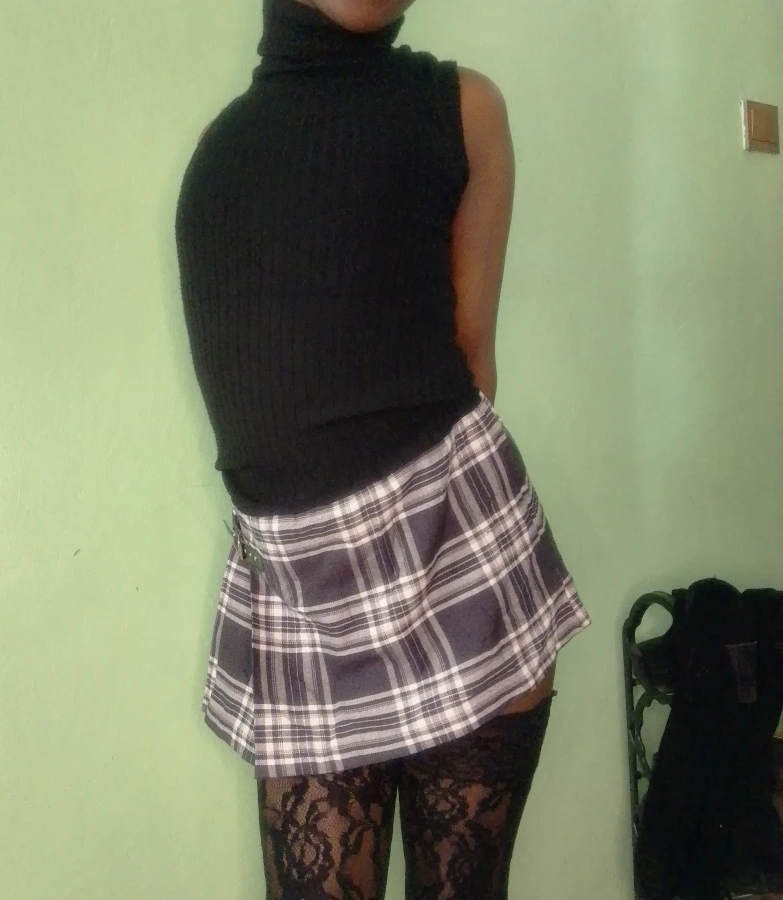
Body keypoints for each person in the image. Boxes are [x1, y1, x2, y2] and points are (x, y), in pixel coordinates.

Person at [175, 0, 590, 896]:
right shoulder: (219, 147)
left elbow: (472, 359)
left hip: (457, 562)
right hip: (296, 598)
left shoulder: (465, 109)